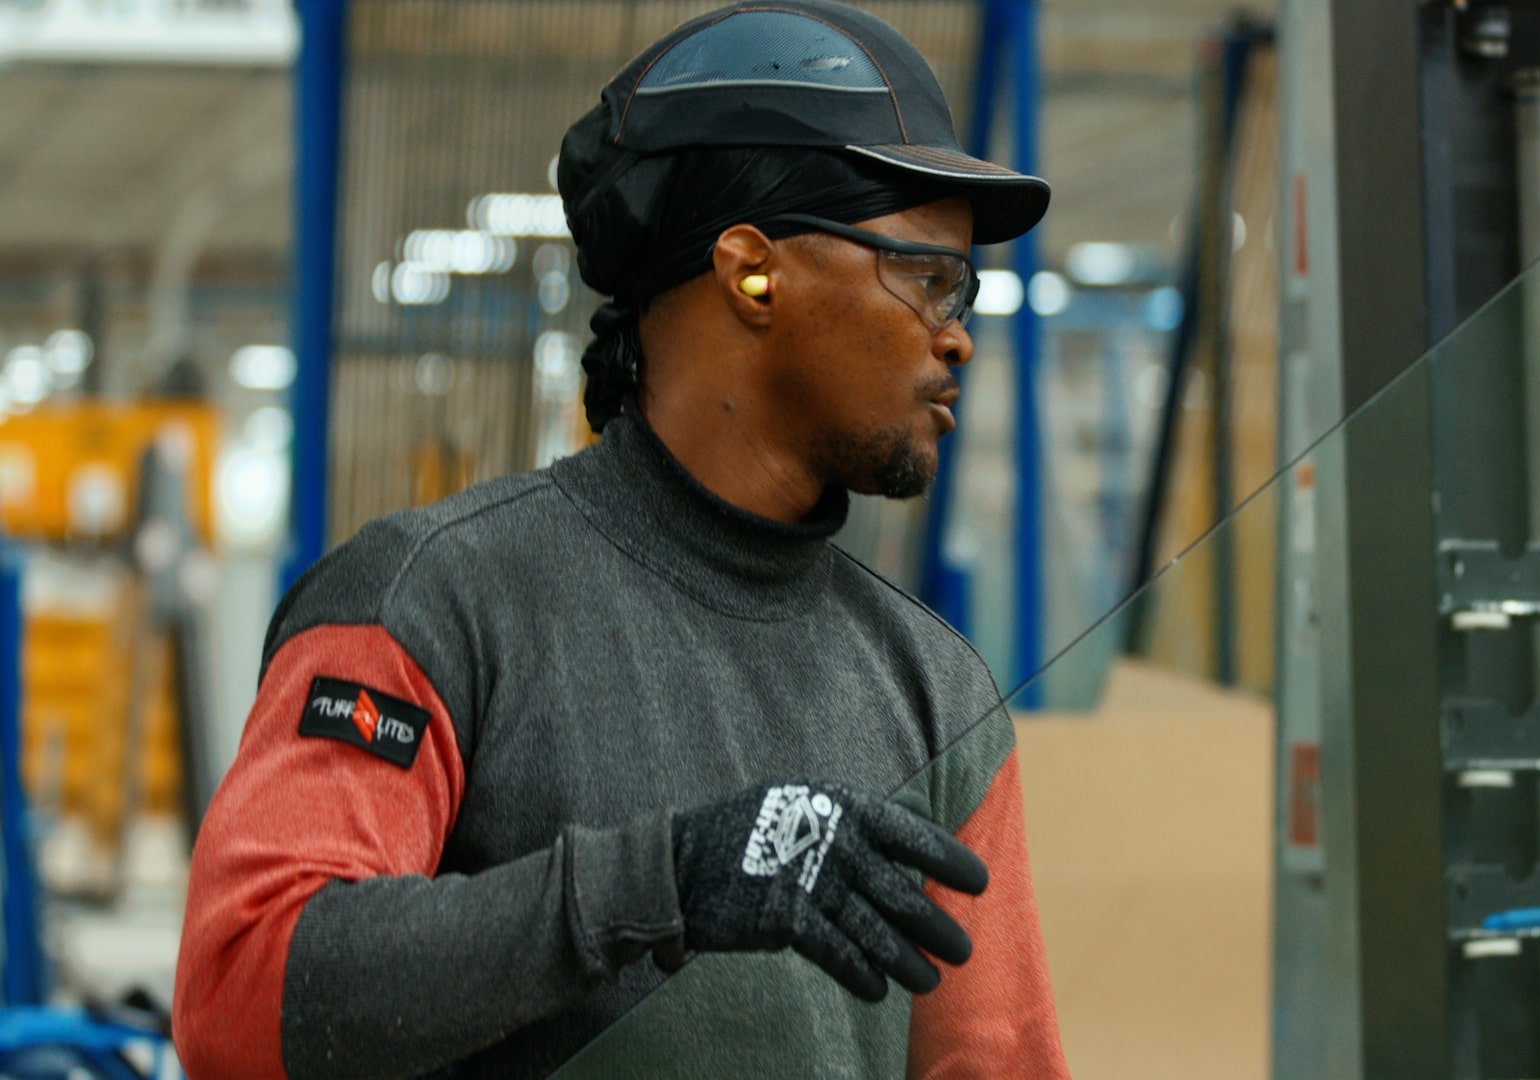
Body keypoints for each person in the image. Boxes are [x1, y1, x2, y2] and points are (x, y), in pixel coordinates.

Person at [170, 2, 1070, 1077]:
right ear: (751, 272)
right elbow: (241, 991)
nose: (958, 331)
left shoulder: (933, 689)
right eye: (928, 278)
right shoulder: (433, 604)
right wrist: (664, 881)